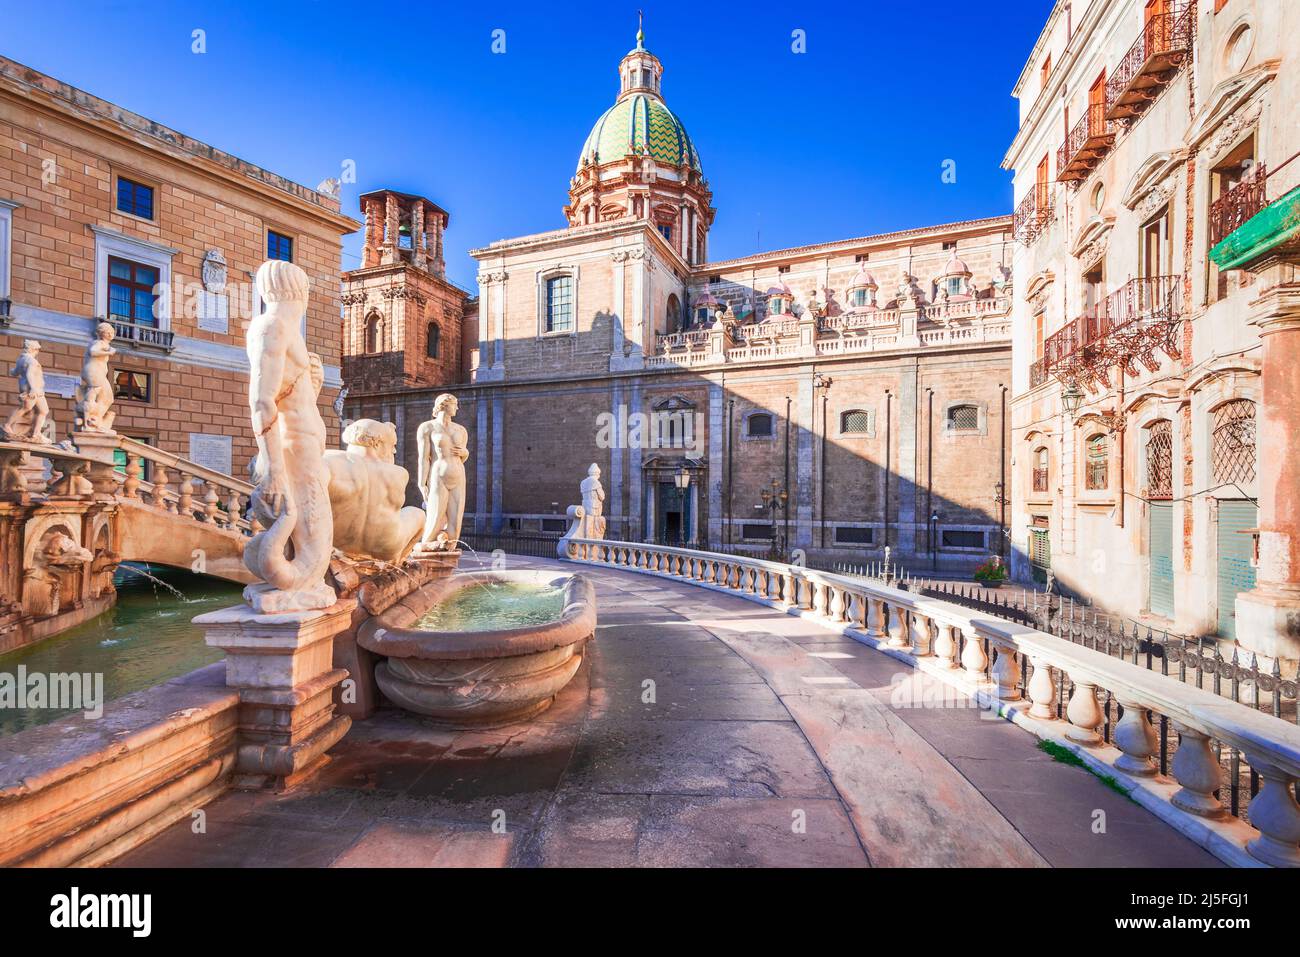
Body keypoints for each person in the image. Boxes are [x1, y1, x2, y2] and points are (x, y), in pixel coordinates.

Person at [416, 393, 469, 550]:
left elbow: (463, 455)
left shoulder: (461, 430)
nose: (457, 408)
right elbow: (424, 458)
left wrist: (465, 453)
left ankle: (448, 550)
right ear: (443, 405)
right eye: (454, 404)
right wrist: (421, 482)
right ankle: (425, 549)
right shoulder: (427, 427)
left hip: (458, 473)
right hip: (439, 474)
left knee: (455, 518)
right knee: (435, 515)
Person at [3, 340, 50, 443]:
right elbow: (30, 374)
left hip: (34, 389)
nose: (38, 352)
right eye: (37, 349)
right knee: (25, 408)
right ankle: (7, 426)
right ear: (34, 349)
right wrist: (33, 388)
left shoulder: (21, 359)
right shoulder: (32, 361)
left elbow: (15, 372)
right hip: (33, 389)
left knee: (43, 410)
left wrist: (13, 371)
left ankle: (36, 434)